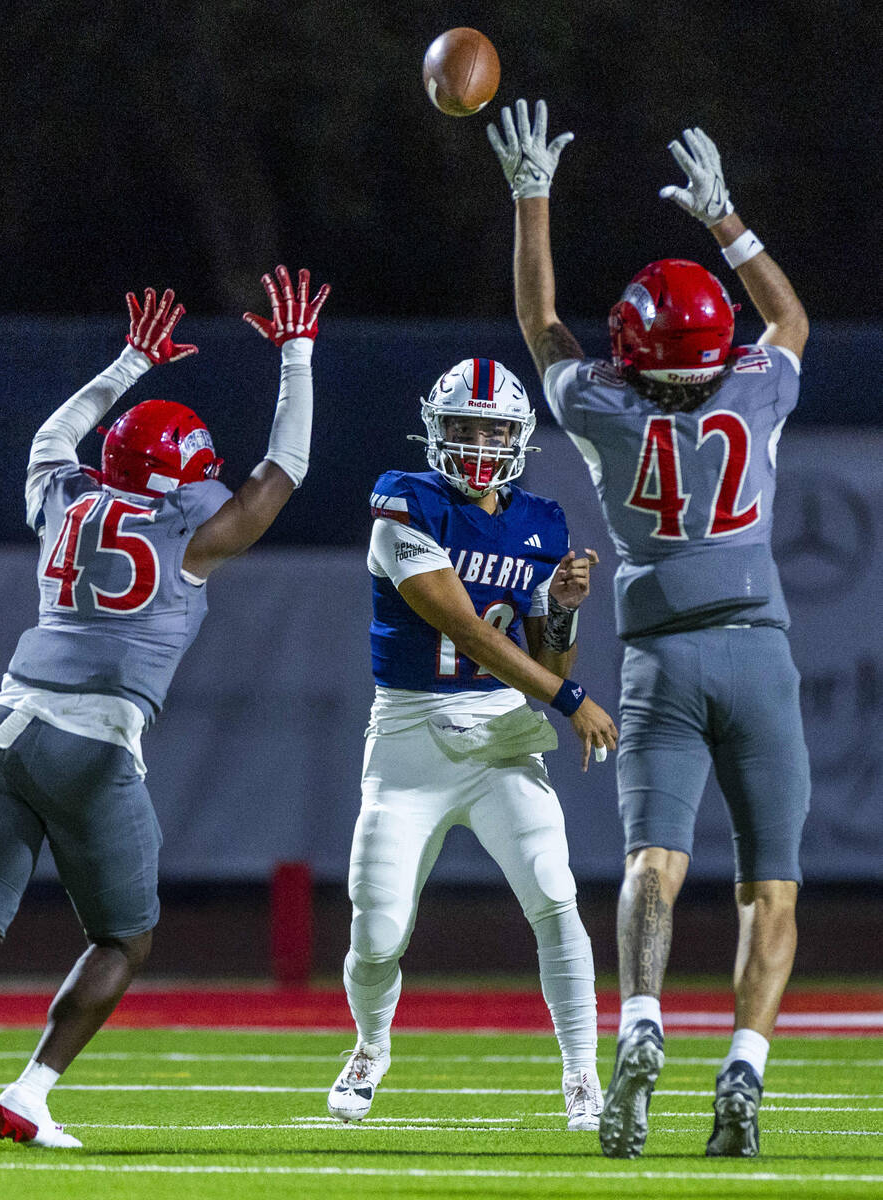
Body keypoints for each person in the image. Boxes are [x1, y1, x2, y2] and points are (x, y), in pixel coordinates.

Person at [0, 267, 330, 1148]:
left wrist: (128, 362)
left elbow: (50, 438)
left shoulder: (66, 498)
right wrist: (296, 355)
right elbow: (285, 468)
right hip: (93, 744)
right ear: (180, 480)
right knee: (124, 939)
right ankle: (31, 1092)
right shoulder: (188, 533)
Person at [488, 100, 811, 1159]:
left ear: (630, 346)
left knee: (649, 864)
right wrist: (728, 222)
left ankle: (639, 1022)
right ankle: (744, 1068)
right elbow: (788, 324)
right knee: (769, 884)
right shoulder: (754, 392)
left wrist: (530, 198)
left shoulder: (603, 405)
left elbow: (543, 329)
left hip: (660, 656)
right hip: (756, 649)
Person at [326, 356, 619, 1131]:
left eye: (493, 430)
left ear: (519, 436)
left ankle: (583, 1074)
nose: (479, 444)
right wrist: (573, 700)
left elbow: (541, 659)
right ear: (436, 430)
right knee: (377, 927)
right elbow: (461, 626)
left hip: (501, 739)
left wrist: (559, 611)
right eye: (464, 428)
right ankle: (371, 1044)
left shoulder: (540, 521)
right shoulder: (405, 500)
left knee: (556, 896)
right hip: (410, 736)